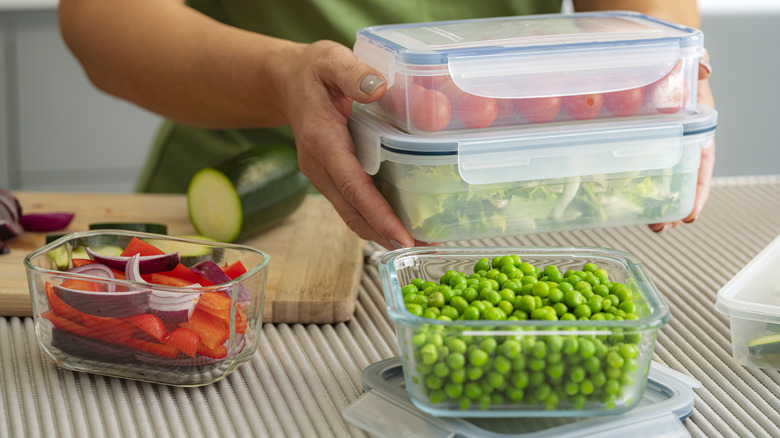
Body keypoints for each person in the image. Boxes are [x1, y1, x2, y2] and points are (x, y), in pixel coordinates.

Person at [58, 0, 714, 250]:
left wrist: (662, 72)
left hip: (526, 200)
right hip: (257, 206)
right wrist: (280, 77)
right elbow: (101, 17)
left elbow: (645, 5)